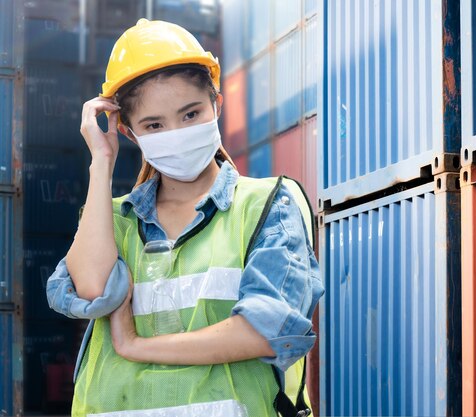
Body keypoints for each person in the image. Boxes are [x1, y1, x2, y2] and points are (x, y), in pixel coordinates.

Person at [46, 18, 323, 417]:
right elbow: (90, 293)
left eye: (190, 114)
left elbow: (266, 331)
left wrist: (134, 346)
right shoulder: (113, 219)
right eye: (154, 125)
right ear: (129, 133)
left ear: (217, 104)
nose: (175, 132)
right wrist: (100, 164)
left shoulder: (267, 204)